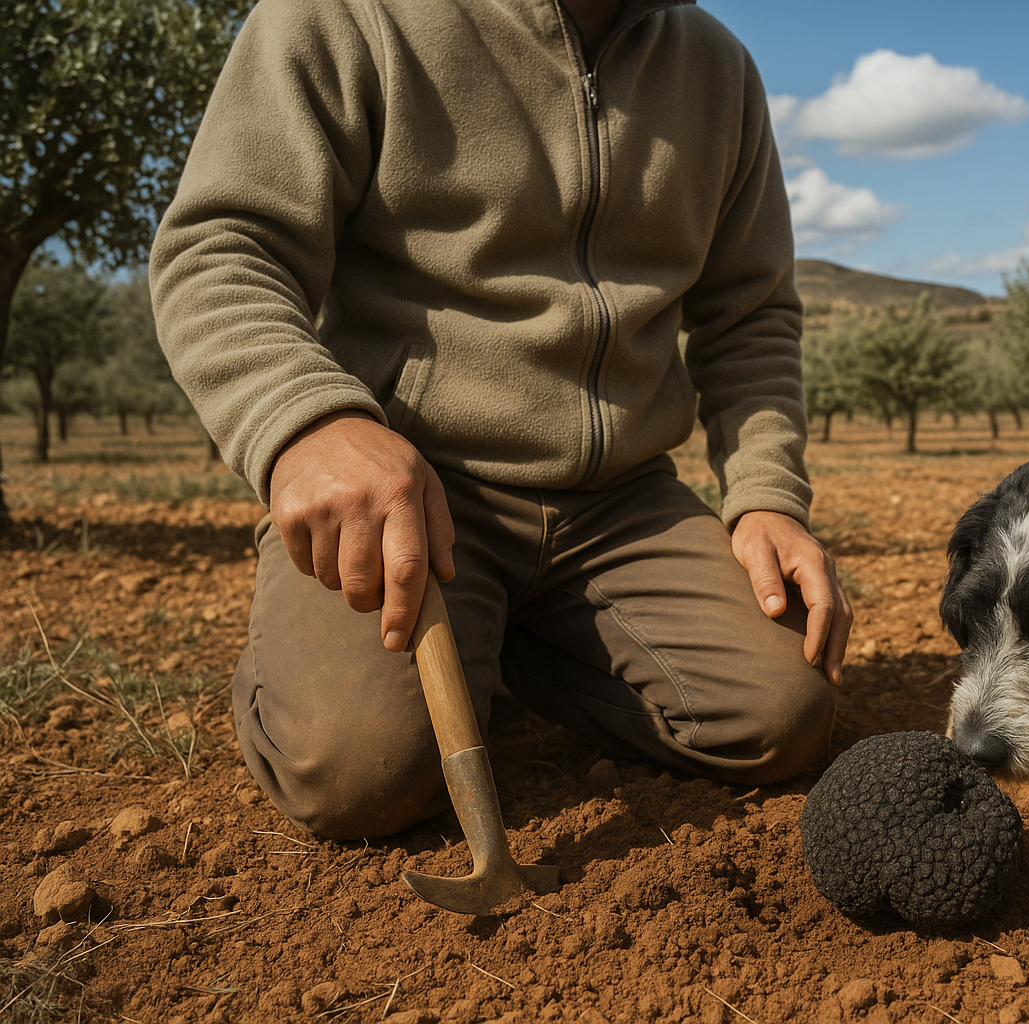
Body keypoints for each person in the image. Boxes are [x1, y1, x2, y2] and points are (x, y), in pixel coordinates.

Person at [149, 0, 850, 840]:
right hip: (411, 492)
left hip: (624, 506)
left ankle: (513, 647)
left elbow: (752, 314)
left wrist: (767, 495)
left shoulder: (719, 70)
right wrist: (308, 424)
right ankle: (319, 661)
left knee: (783, 715)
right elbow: (222, 249)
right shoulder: (342, 14)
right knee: (358, 771)